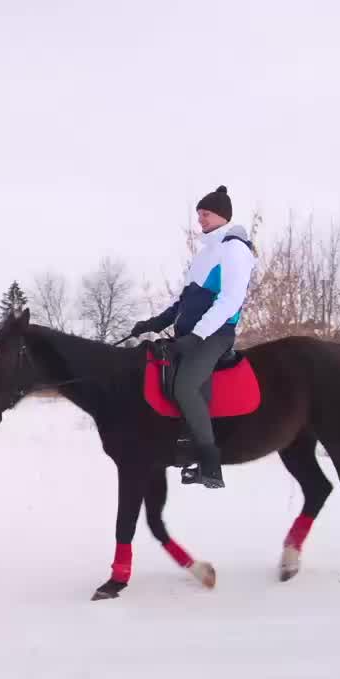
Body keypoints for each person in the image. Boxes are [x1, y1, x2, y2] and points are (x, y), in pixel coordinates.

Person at [129, 186, 255, 489]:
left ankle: (211, 464)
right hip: (191, 333)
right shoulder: (206, 254)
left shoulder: (235, 249)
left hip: (216, 332)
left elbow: (229, 301)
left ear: (222, 215)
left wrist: (197, 336)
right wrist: (154, 323)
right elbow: (183, 303)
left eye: (205, 214)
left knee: (185, 385)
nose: (200, 220)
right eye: (199, 214)